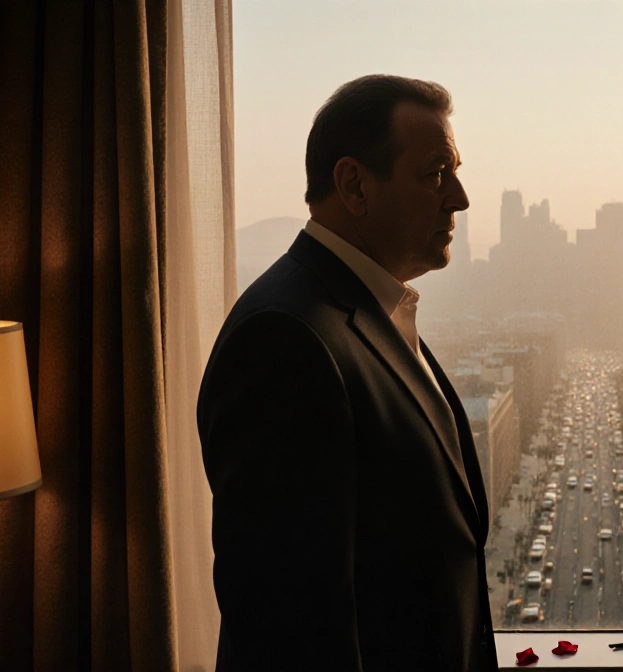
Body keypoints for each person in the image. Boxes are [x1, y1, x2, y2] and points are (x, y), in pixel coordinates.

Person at [198, 75, 496, 671]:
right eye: (436, 173)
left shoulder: (360, 312)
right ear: (354, 185)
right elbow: (287, 632)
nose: (460, 198)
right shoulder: (285, 341)